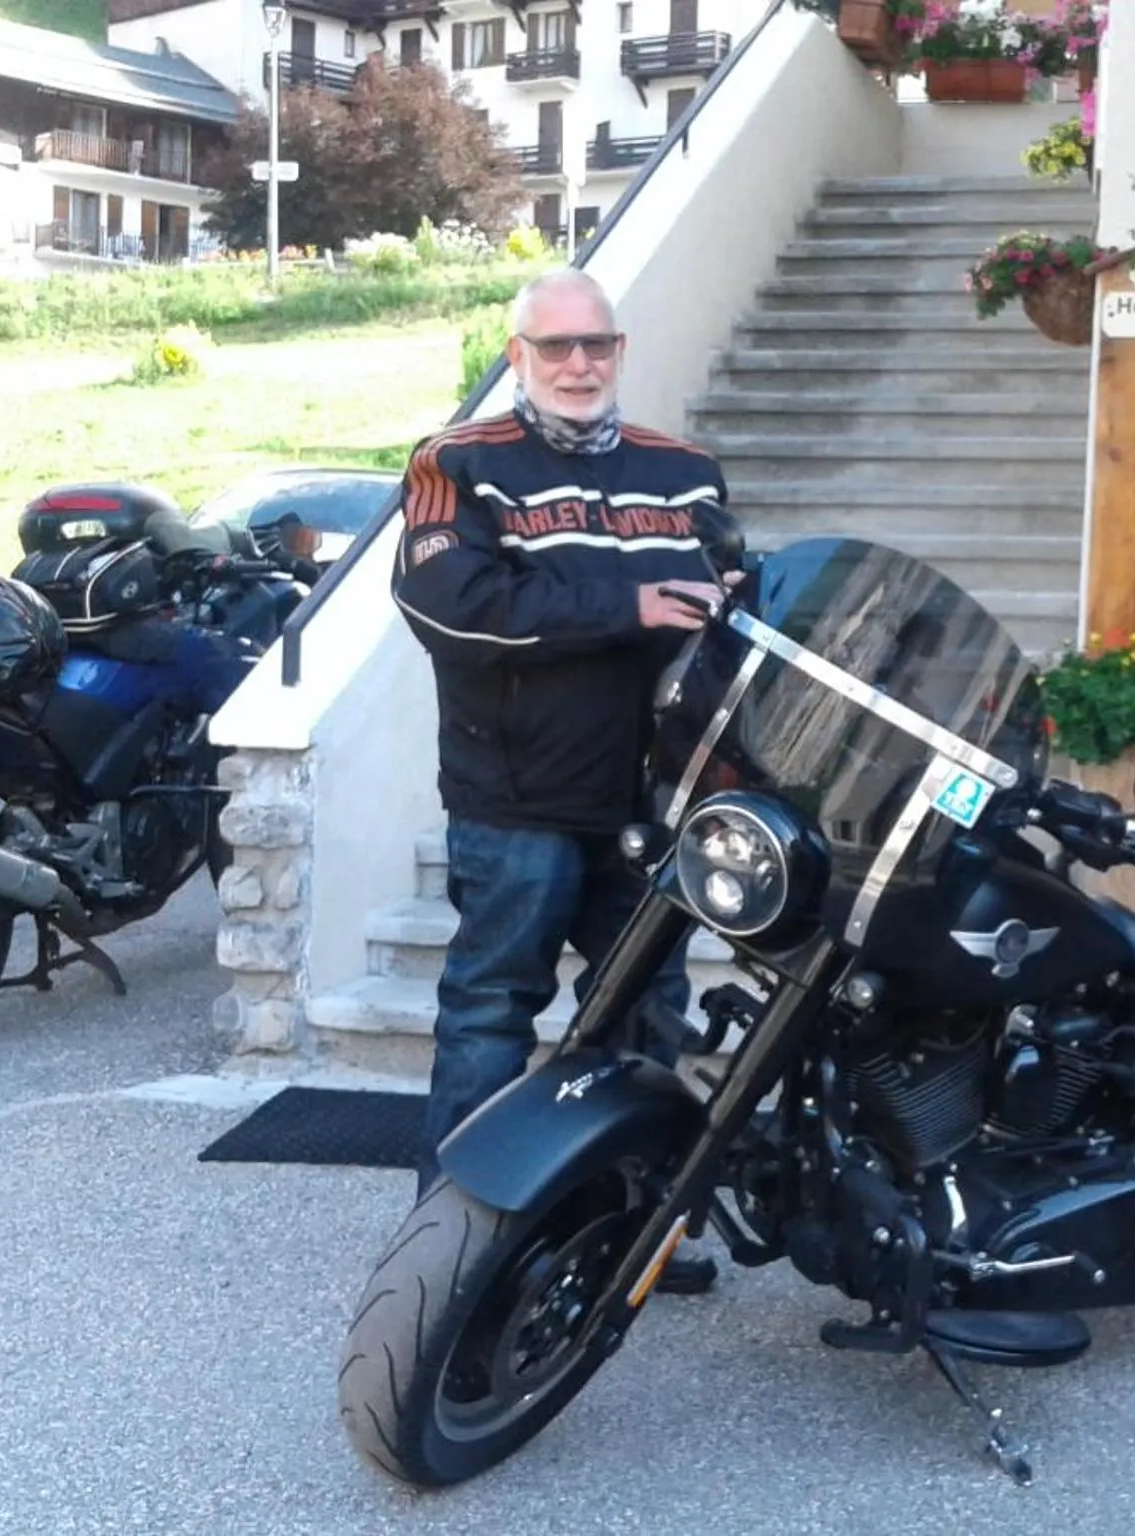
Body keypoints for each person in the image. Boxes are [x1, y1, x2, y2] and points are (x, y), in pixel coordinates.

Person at [390, 268, 737, 1294]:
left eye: (596, 345)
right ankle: (447, 1254)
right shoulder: (458, 461)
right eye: (555, 348)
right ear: (518, 358)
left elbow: (727, 605)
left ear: (619, 352)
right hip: (519, 800)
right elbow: (451, 604)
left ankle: (624, 1234)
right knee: (491, 1014)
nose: (578, 365)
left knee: (647, 1023)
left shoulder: (685, 471)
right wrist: (628, 604)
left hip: (653, 805)